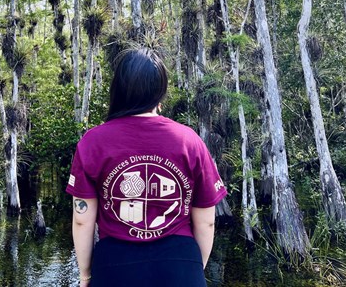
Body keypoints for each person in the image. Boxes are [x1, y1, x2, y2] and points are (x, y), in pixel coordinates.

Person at [66, 48, 227, 286]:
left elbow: (82, 219)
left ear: (118, 90)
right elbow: (206, 220)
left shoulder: (92, 142)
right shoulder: (188, 140)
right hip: (180, 263)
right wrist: (193, 267)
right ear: (160, 91)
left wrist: (86, 274)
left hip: (115, 266)